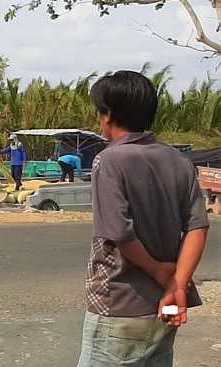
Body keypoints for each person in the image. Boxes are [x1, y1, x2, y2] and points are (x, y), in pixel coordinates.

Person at [76, 70, 209, 366]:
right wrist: (177, 284)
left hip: (120, 304)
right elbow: (197, 227)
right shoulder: (179, 161)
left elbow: (119, 234)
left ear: (107, 115)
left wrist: (157, 270)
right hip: (166, 303)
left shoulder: (110, 160)